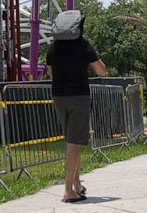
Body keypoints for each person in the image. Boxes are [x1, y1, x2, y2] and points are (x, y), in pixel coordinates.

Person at [46, 14, 107, 203]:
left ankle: (77, 185)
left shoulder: (52, 48)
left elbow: (50, 73)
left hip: (59, 97)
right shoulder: (84, 46)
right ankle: (67, 191)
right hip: (79, 96)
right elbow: (101, 70)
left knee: (71, 142)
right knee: (74, 144)